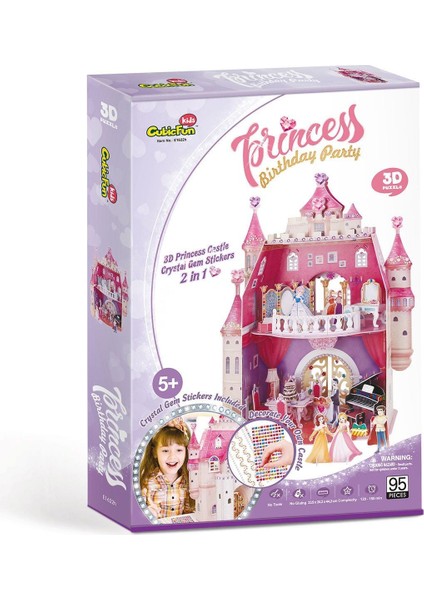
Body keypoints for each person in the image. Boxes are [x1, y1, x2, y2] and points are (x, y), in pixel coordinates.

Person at [139, 418, 195, 519]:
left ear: (186, 452)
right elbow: (138, 511)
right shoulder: (146, 481)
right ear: (155, 452)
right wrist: (148, 513)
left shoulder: (189, 480)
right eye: (165, 451)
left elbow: (189, 513)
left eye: (179, 450)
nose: (172, 456)